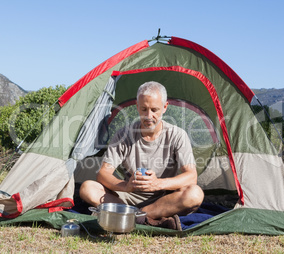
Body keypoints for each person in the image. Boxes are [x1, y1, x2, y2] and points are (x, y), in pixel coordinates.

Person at [79, 81, 204, 230]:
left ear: (165, 107)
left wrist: (157, 184)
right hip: (127, 198)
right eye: (144, 109)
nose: (148, 116)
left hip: (164, 199)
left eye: (154, 110)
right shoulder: (123, 135)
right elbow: (103, 174)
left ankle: (136, 215)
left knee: (195, 194)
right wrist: (126, 186)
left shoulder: (177, 135)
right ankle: (146, 218)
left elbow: (191, 176)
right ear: (137, 107)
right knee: (87, 188)